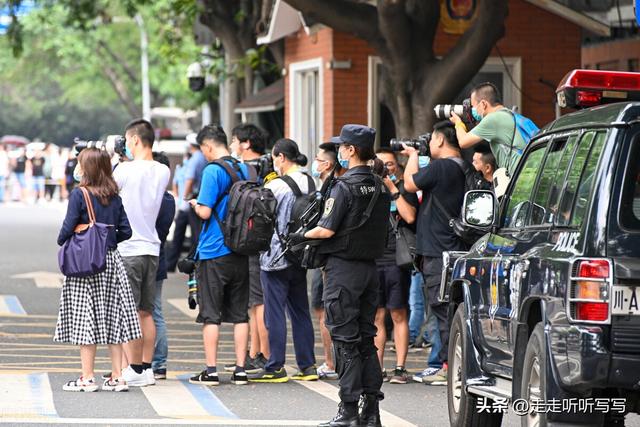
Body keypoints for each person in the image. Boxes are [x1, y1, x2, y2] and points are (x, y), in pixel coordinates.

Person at [300, 124, 390, 427]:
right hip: (370, 270)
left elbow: (326, 229)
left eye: (342, 146)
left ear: (351, 150)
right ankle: (371, 411)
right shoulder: (380, 185)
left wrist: (300, 236)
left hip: (343, 271)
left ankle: (349, 410)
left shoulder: (343, 186)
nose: (339, 151)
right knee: (366, 340)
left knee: (344, 340)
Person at [55, 147, 139, 393]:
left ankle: (87, 378)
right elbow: (126, 231)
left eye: (81, 163)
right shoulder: (114, 197)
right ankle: (117, 377)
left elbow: (67, 228)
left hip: (86, 263)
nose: (78, 168)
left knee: (85, 319)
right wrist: (106, 239)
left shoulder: (79, 194)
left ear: (88, 168)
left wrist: (68, 239)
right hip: (111, 261)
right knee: (114, 318)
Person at [403, 121, 468, 386]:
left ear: (440, 140)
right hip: (452, 248)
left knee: (443, 311)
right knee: (448, 311)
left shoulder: (442, 166)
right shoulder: (462, 167)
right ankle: (450, 364)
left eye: (431, 140)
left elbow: (410, 183)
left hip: (438, 252)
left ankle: (448, 367)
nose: (429, 144)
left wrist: (413, 155)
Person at [249, 138, 317, 383]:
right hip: (301, 254)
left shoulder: (277, 185)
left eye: (275, 158)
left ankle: (275, 365)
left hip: (275, 256)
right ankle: (308, 366)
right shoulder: (312, 182)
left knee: (274, 313)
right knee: (301, 312)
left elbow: (260, 215)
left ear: (281, 157)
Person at [187, 124, 251, 387]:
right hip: (241, 249)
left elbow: (204, 212)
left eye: (203, 150)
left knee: (211, 314)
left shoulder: (213, 170)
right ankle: (241, 370)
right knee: (240, 314)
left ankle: (211, 371)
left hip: (214, 250)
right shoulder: (243, 168)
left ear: (207, 146)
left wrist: (195, 204)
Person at [114, 119, 171, 387]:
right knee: (146, 312)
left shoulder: (124, 170)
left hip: (129, 249)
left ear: (135, 140)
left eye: (127, 140)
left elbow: (105, 191)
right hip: (151, 248)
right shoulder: (163, 171)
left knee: (128, 313)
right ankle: (146, 368)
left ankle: (134, 369)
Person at [373, 148, 419, 385]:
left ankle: (400, 368)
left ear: (397, 166)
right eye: (381, 164)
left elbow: (410, 217)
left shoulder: (404, 189)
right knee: (377, 315)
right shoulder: (369, 190)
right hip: (373, 258)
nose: (385, 168)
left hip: (396, 260)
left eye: (390, 164)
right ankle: (377, 367)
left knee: (398, 313)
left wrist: (392, 188)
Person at [229, 123, 270, 372]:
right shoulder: (263, 168)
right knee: (253, 302)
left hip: (254, 242)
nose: (232, 145)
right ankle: (254, 352)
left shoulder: (251, 170)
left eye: (235, 140)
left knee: (258, 301)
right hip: (258, 242)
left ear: (246, 144)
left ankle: (264, 353)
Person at [309, 142, 343, 380]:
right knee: (323, 311)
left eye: (318, 159)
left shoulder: (335, 189)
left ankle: (333, 363)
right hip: (324, 258)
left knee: (327, 312)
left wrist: (303, 236)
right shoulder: (327, 187)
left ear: (328, 164)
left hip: (328, 259)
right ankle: (331, 362)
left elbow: (326, 228)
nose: (315, 163)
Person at [451, 82, 526, 175]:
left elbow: (463, 142)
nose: (472, 110)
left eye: (473, 106)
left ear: (483, 104)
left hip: (522, 176)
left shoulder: (493, 119)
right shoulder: (508, 114)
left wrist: (458, 123)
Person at [150, 152, 176, 380]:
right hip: (158, 257)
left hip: (146, 257)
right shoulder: (168, 199)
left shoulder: (152, 199)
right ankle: (159, 363)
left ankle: (141, 362)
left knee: (141, 311)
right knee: (155, 311)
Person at [167, 151, 191, 272]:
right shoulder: (180, 168)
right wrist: (179, 198)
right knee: (178, 238)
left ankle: (175, 264)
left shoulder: (188, 168)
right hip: (184, 206)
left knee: (183, 238)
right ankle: (171, 264)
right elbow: (175, 184)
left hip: (189, 206)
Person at [183, 137, 207, 245]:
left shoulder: (194, 159)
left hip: (194, 197)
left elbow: (190, 179)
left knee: (195, 230)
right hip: (201, 195)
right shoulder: (203, 157)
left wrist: (185, 197)